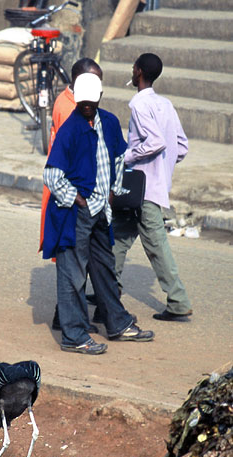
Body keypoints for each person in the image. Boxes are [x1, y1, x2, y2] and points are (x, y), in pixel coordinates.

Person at [43, 73, 155, 354]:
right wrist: (77, 199)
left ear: (100, 99)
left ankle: (117, 323)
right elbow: (52, 176)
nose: (87, 108)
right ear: (77, 100)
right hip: (74, 214)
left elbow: (119, 156)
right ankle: (74, 335)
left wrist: (114, 190)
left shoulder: (109, 122)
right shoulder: (70, 130)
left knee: (104, 268)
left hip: (101, 210)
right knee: (73, 275)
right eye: (83, 104)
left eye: (92, 103)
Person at [112, 53, 192, 322]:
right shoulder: (166, 104)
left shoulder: (138, 104)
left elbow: (155, 141)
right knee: (119, 236)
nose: (132, 71)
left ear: (138, 72)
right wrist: (164, 166)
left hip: (142, 187)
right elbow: (181, 146)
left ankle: (178, 301)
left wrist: (129, 156)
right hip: (151, 186)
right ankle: (108, 290)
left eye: (134, 67)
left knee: (156, 245)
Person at [39, 58, 103, 333]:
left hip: (73, 194)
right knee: (71, 260)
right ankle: (66, 320)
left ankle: (70, 317)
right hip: (68, 197)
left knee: (75, 259)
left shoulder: (72, 104)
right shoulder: (70, 110)